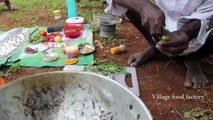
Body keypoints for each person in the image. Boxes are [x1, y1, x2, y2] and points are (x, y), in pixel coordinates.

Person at [105, 0, 213, 89]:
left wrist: (188, 31)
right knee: (130, 3)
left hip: (201, 20)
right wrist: (143, 6)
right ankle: (155, 46)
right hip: (160, 15)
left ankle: (195, 58)